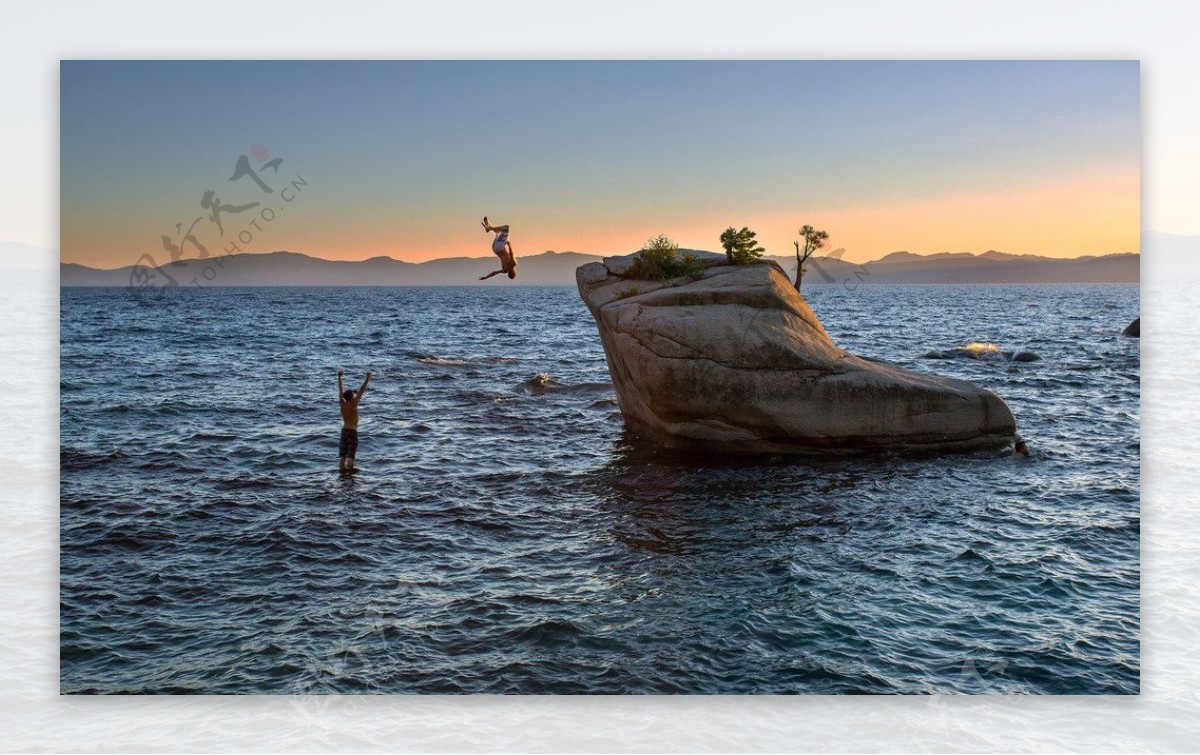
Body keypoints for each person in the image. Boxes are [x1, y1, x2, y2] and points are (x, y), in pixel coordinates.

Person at [337, 369, 371, 472]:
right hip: (352, 432)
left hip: (344, 431)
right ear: (351, 397)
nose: (355, 395)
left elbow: (340, 390)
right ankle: (350, 476)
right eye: (353, 395)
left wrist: (339, 377)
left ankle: (342, 475)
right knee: (351, 456)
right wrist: (367, 378)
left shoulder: (342, 404)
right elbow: (361, 390)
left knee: (342, 456)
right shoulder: (353, 404)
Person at [479, 216, 517, 280]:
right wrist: (486, 277)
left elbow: (511, 254)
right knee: (497, 232)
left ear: (514, 272)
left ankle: (489, 228)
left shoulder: (513, 264)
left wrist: (509, 245)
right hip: (495, 249)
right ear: (508, 274)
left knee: (506, 228)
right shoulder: (505, 270)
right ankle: (489, 228)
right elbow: (494, 273)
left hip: (500, 247)